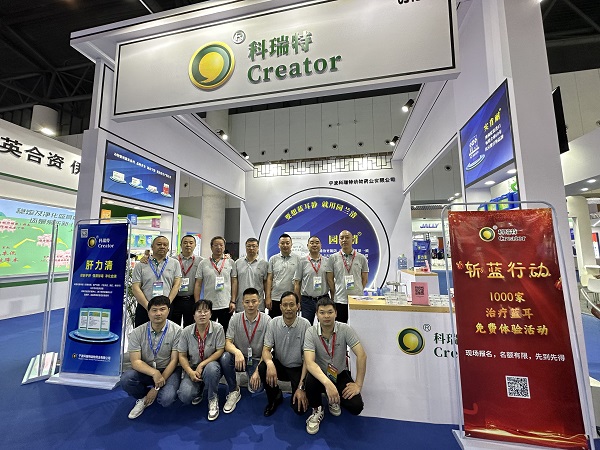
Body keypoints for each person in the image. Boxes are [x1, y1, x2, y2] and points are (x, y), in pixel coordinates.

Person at [303, 297, 366, 435]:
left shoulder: (345, 329)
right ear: (316, 315)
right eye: (322, 312)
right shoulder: (310, 332)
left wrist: (358, 384)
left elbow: (361, 355)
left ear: (336, 313)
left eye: (330, 312)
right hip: (320, 375)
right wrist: (328, 384)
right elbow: (310, 363)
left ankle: (333, 400)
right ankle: (317, 409)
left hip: (339, 373)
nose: (326, 316)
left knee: (356, 407)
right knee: (310, 380)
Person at [120, 295, 182, 419]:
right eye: (154, 310)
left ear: (168, 311)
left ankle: (157, 391)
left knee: (166, 399)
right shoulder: (137, 332)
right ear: (148, 312)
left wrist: (156, 388)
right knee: (126, 379)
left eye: (162, 309)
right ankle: (143, 397)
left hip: (169, 370)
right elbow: (135, 362)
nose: (158, 313)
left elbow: (174, 360)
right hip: (147, 370)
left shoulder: (177, 331)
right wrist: (154, 373)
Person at [258, 291, 310, 417]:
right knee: (263, 367)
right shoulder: (273, 323)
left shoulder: (306, 325)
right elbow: (266, 349)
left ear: (298, 306)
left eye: (292, 305)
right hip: (279, 365)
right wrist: (270, 363)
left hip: (298, 368)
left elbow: (308, 358)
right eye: (285, 305)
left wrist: (301, 387)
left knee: (299, 410)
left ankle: (299, 391)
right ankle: (274, 396)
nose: (288, 308)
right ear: (280, 306)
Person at [221, 288, 271, 413]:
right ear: (242, 303)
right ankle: (233, 389)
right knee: (225, 358)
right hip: (239, 357)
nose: (251, 305)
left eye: (254, 301)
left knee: (256, 389)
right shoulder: (235, 318)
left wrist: (258, 371)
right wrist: (237, 352)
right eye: (247, 302)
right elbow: (227, 342)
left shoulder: (267, 320)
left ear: (259, 301)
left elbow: (267, 349)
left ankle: (251, 375)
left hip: (256, 359)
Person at [176, 299, 226, 421]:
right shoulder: (186, 331)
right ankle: (199, 389)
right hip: (193, 368)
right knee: (185, 396)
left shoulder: (218, 328)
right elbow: (182, 355)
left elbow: (220, 350)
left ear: (211, 314)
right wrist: (190, 372)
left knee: (211, 369)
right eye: (199, 311)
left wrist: (202, 364)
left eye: (206, 311)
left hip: (211, 365)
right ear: (193, 315)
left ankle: (212, 398)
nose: (202, 314)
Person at [132, 236, 181, 327]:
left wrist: (167, 304)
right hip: (144, 307)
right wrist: (148, 307)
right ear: (152, 247)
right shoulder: (141, 265)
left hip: (165, 308)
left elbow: (177, 285)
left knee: (166, 333)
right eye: (159, 244)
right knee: (142, 333)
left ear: (168, 248)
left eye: (165, 245)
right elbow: (135, 287)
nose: (162, 246)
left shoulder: (175, 263)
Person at [194, 236, 237, 333]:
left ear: (224, 247)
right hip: (208, 305)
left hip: (226, 304)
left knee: (225, 331)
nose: (219, 247)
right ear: (211, 247)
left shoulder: (230, 262)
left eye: (221, 245)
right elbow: (198, 284)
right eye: (216, 245)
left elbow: (234, 282)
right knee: (208, 331)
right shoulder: (203, 263)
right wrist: (197, 302)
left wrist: (233, 301)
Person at [326, 230, 369, 323]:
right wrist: (335, 292)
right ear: (338, 241)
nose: (344, 240)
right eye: (341, 238)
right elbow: (329, 279)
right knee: (340, 327)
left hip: (357, 299)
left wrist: (358, 290)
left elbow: (365, 279)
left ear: (353, 240)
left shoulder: (361, 258)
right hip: (340, 299)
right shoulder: (333, 258)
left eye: (347, 237)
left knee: (358, 325)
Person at [294, 236, 331, 325]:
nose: (314, 245)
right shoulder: (302, 261)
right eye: (312, 243)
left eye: (317, 243)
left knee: (325, 326)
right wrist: (298, 301)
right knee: (307, 326)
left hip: (323, 299)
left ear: (321, 245)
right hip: (307, 301)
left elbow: (330, 281)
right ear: (307, 245)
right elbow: (297, 283)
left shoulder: (327, 261)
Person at [266, 233, 300, 318]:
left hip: (291, 299)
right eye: (282, 243)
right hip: (275, 298)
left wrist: (298, 300)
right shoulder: (273, 259)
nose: (285, 245)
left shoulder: (298, 259)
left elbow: (299, 281)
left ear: (291, 244)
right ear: (278, 245)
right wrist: (268, 297)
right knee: (274, 322)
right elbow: (269, 279)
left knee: (290, 322)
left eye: (287, 243)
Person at [171, 234, 203, 327]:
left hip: (191, 299)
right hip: (175, 299)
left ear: (195, 245)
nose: (188, 245)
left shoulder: (201, 261)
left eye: (191, 243)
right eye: (185, 243)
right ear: (181, 245)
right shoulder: (172, 260)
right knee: (174, 326)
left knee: (190, 327)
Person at [235, 237, 268, 313]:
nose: (251, 248)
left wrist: (267, 298)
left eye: (254, 246)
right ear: (245, 247)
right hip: (241, 303)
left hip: (258, 303)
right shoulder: (237, 263)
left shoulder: (264, 264)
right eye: (248, 246)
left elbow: (266, 283)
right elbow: (235, 283)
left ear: (258, 248)